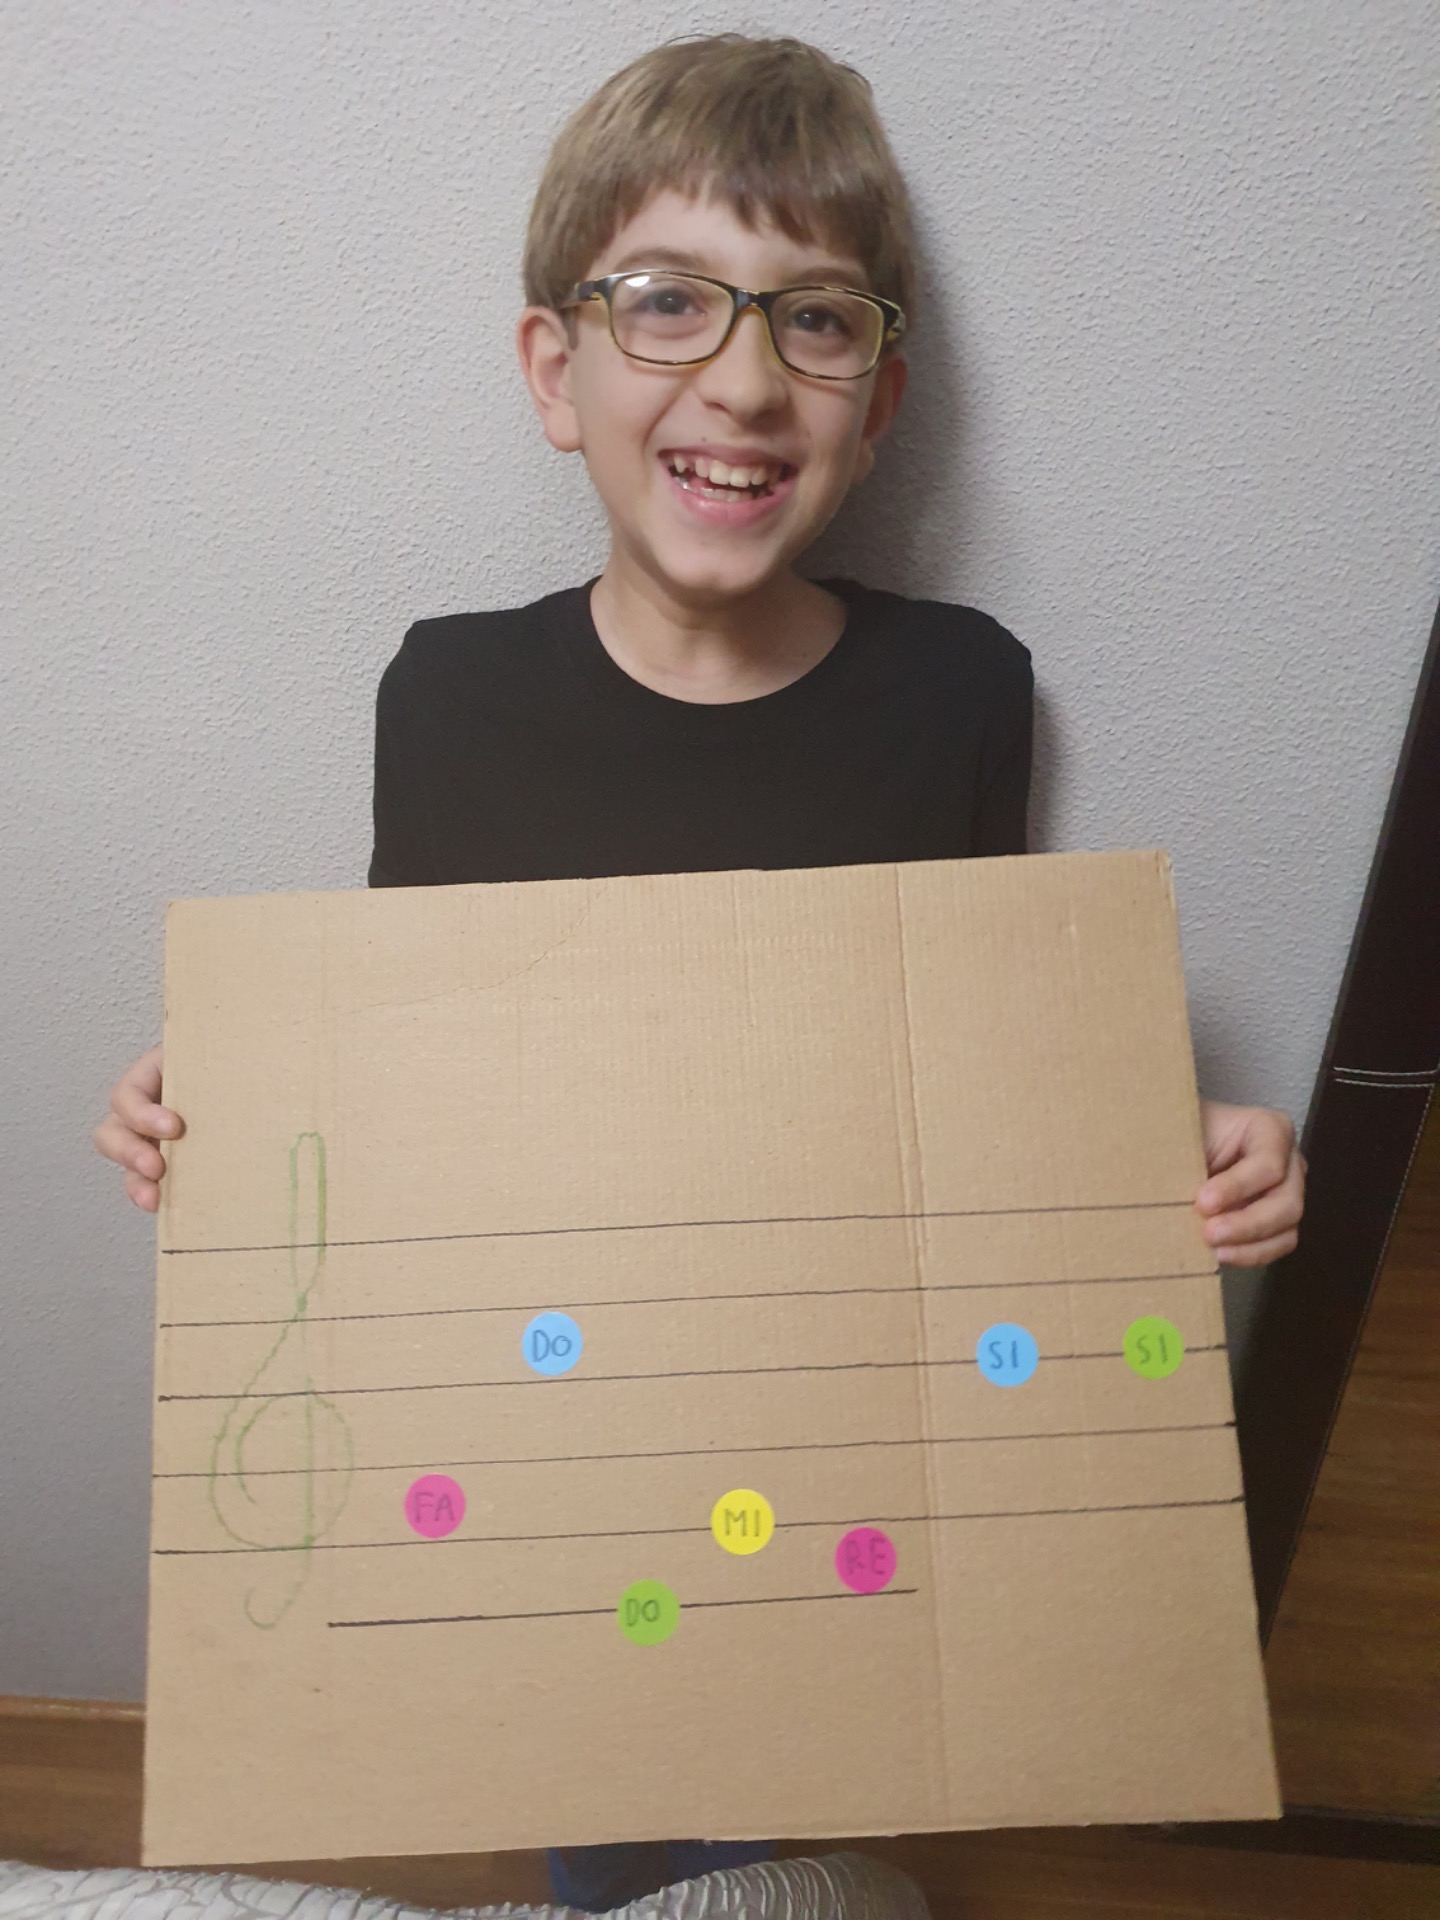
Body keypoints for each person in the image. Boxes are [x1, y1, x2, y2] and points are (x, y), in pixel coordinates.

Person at [94, 33, 1306, 1912]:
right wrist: (227, 1108)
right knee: (606, 1760)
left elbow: (973, 1089)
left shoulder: (959, 689)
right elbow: (404, 1079)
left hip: (825, 1419)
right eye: (665, 301)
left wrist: (1172, 1159)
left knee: (798, 1775)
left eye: (812, 319)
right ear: (551, 371)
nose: (741, 379)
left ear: (877, 400)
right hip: (560, 1415)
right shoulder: (452, 695)